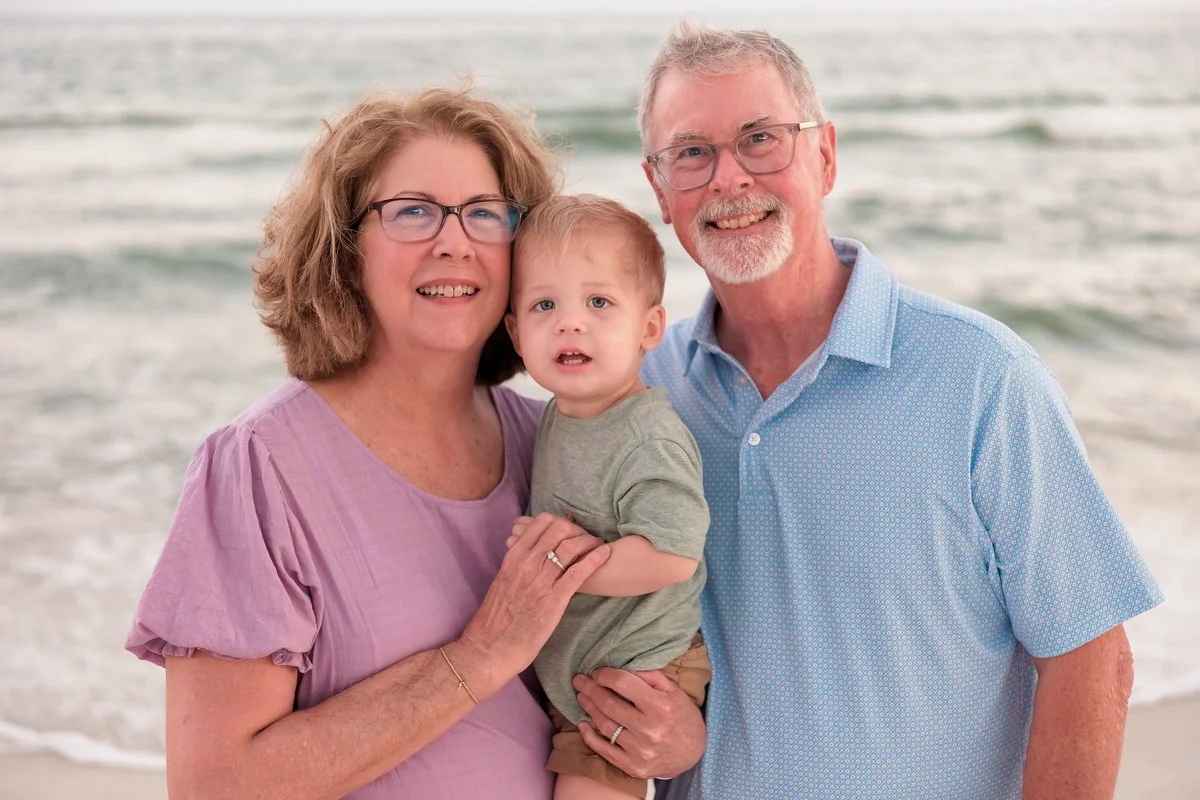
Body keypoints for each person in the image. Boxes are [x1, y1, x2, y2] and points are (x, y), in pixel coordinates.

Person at [572, 21, 1165, 799]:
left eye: (761, 139)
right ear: (658, 189)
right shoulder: (647, 393)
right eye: (692, 153)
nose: (728, 178)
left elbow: (1092, 658)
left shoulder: (981, 378)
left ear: (824, 157)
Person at [124, 88, 704, 798]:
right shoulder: (260, 467)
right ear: (346, 247)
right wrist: (479, 656)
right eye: (412, 212)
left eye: (484, 214)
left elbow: (627, 653)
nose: (454, 241)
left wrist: (674, 740)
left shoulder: (550, 440)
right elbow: (215, 786)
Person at [504, 194, 712, 799]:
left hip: (642, 671)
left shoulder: (648, 436)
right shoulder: (556, 418)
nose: (571, 322)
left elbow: (673, 555)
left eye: (599, 302)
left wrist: (557, 568)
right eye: (545, 304)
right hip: (584, 664)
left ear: (649, 327)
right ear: (516, 333)